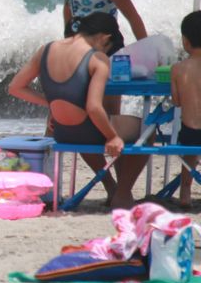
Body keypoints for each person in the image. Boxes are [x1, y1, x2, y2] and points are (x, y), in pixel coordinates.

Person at [8, 12, 148, 209]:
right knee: (146, 129)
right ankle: (123, 194)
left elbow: (15, 87)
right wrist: (112, 137)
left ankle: (111, 187)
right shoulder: (97, 59)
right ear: (105, 38)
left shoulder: (45, 50)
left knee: (86, 132)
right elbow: (93, 107)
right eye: (108, 48)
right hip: (88, 130)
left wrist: (51, 103)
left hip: (63, 133)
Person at [170, 11, 201, 206]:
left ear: (185, 41)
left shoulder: (178, 69)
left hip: (191, 132)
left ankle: (185, 191)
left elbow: (176, 102)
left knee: (189, 152)